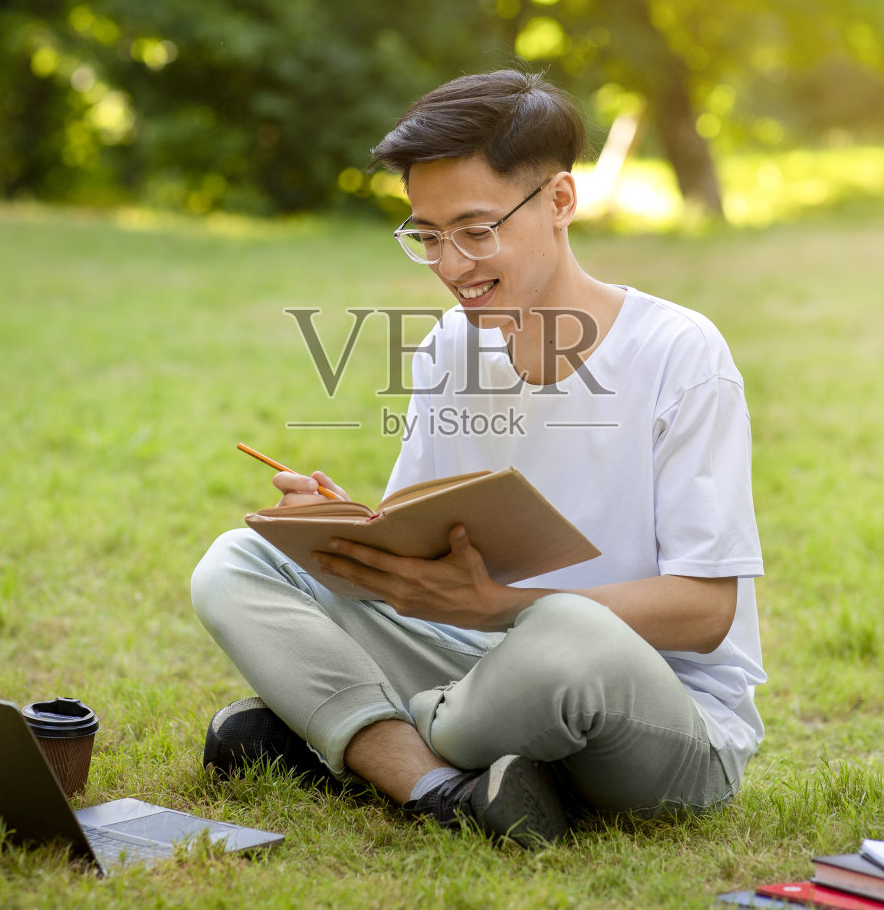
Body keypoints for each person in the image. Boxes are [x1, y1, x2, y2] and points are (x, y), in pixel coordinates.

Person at [190, 70, 764, 847]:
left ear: (560, 201)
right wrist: (346, 528)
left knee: (568, 632)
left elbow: (706, 611)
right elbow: (417, 555)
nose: (450, 264)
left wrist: (504, 606)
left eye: (475, 229)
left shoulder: (677, 352)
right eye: (425, 234)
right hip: (478, 664)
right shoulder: (451, 347)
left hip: (653, 706)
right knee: (237, 562)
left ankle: (356, 738)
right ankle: (436, 785)